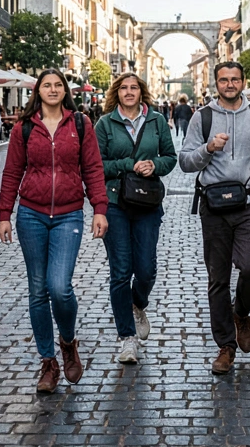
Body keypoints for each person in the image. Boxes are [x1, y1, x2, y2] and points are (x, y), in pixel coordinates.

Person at [0, 69, 108, 394]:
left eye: (58, 85)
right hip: (30, 214)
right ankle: (48, 362)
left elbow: (93, 168)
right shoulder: (24, 126)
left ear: (65, 90)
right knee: (37, 290)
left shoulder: (80, 124)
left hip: (69, 215)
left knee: (59, 287)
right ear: (39, 90)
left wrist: (99, 208)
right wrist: (5, 213)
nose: (53, 89)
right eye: (47, 85)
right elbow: (12, 170)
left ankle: (68, 340)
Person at [180, 61, 250, 375]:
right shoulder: (203, 117)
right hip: (213, 207)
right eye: (223, 79)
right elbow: (185, 161)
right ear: (216, 83)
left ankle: (241, 312)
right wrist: (208, 148)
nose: (229, 84)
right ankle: (226, 346)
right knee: (218, 279)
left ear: (243, 81)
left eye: (235, 79)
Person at [96, 72, 177, 365]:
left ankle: (137, 303)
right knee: (120, 271)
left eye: (134, 87)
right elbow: (96, 164)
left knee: (145, 269)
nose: (129, 92)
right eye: (123, 88)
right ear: (116, 93)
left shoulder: (155, 121)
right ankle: (127, 338)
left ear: (142, 92)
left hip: (147, 201)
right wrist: (129, 165)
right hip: (115, 202)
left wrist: (154, 165)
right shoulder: (105, 124)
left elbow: (171, 157)